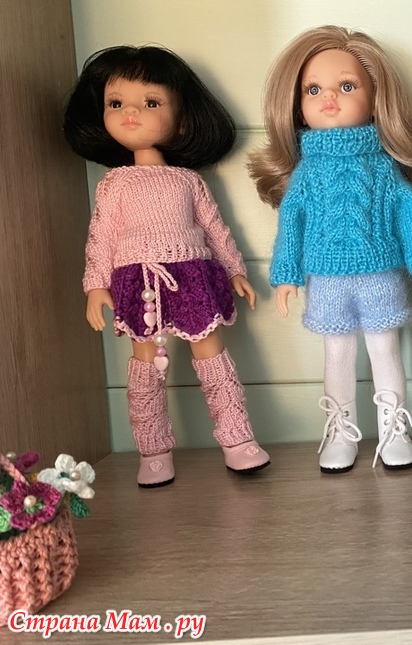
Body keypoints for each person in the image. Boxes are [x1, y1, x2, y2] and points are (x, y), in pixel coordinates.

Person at [64, 46, 270, 487]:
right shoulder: (114, 184)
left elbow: (214, 228)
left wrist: (234, 269)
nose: (131, 112)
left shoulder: (187, 180)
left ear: (181, 122)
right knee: (145, 365)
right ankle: (153, 451)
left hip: (192, 274)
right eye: (116, 103)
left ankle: (237, 439)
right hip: (136, 280)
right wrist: (95, 285)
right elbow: (101, 237)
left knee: (211, 352)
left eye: (151, 102)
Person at [248, 26, 412, 473]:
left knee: (384, 348)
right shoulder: (306, 171)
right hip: (326, 279)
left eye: (347, 85)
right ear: (297, 105)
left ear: (375, 99)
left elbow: (407, 206)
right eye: (313, 89)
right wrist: (286, 274)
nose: (329, 98)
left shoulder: (382, 164)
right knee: (336, 352)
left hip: (380, 274)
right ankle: (339, 430)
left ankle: (393, 428)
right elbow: (291, 221)